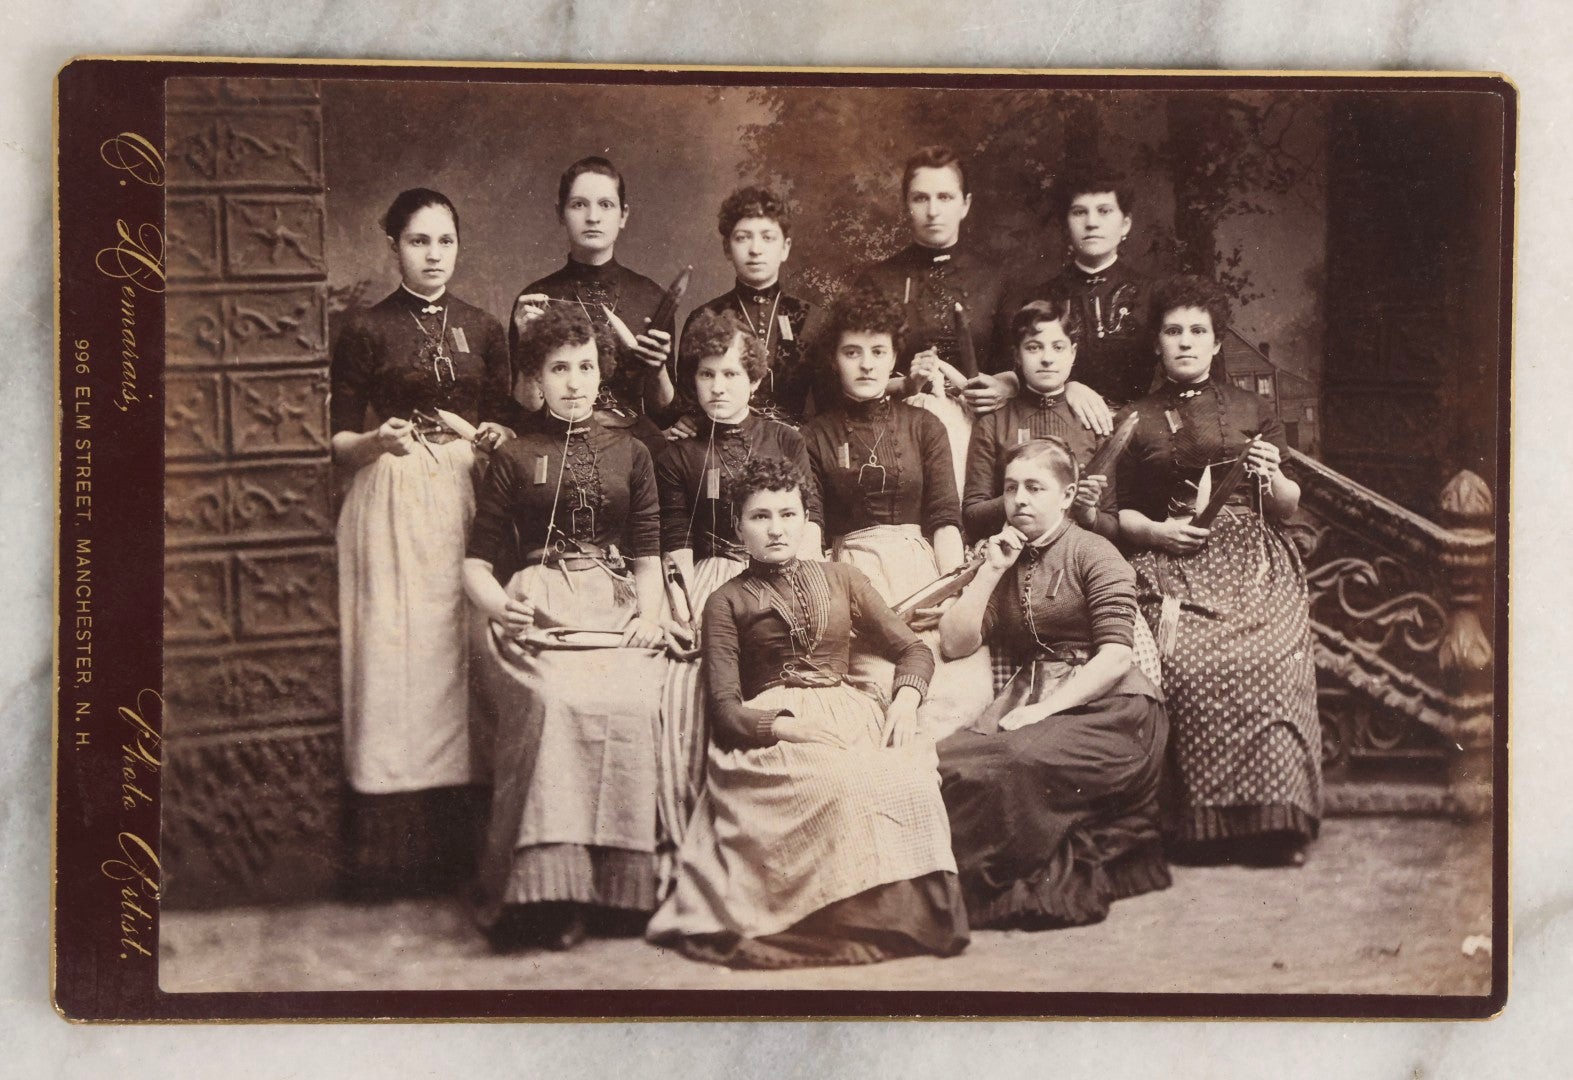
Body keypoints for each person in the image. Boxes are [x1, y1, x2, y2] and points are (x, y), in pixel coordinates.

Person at [646, 458, 968, 967]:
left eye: (788, 514)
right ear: (739, 527)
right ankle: (828, 925)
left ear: (805, 521)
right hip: (772, 730)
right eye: (760, 516)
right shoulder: (725, 601)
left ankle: (903, 921)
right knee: (837, 781)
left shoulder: (843, 577)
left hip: (850, 710)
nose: (776, 529)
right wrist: (790, 727)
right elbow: (725, 708)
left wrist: (906, 699)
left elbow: (913, 649)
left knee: (908, 778)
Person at [463, 303, 691, 950]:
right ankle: (547, 895)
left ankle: (620, 893)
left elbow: (647, 556)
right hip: (538, 606)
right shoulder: (514, 454)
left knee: (637, 700)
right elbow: (475, 565)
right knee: (557, 703)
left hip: (616, 607)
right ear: (536, 377)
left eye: (586, 367)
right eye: (559, 368)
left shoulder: (633, 452)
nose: (573, 382)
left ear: (602, 373)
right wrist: (496, 605)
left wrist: (650, 615)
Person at [330, 187, 520, 898]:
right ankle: (388, 857)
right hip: (392, 497)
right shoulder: (366, 329)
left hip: (466, 500)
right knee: (395, 652)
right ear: (394, 247)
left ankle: (463, 852)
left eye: (445, 241)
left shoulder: (484, 327)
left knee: (461, 648)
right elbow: (338, 439)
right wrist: (375, 442)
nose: (433, 255)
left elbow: (504, 423)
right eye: (418, 241)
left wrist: (496, 434)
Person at [1115, 274, 1321, 866]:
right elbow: (1113, 510)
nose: (1185, 341)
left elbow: (1286, 506)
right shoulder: (1135, 417)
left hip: (1254, 559)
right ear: (1158, 343)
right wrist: (1157, 532)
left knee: (1271, 653)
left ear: (1215, 341)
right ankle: (1199, 828)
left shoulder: (1254, 409)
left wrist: (1270, 474)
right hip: (1171, 555)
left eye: (1197, 331)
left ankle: (1276, 823)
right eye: (1173, 331)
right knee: (1187, 657)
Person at [937, 438, 1169, 928]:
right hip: (1037, 699)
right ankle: (951, 885)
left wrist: (1043, 710)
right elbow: (955, 643)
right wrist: (990, 572)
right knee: (947, 760)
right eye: (1010, 488)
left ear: (1066, 496)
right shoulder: (1003, 556)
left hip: (1115, 712)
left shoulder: (1094, 552)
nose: (1019, 500)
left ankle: (995, 888)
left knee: (1015, 761)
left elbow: (1115, 657)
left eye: (1034, 488)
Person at [652, 310, 824, 861]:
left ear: (754, 379)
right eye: (706, 375)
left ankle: (784, 830)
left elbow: (810, 522)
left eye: (731, 374)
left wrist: (806, 589)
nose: (718, 387)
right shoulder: (678, 453)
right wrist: (682, 610)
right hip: (710, 577)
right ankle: (695, 836)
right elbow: (676, 541)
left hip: (782, 573)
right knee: (685, 684)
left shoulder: (786, 439)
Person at [800, 286, 992, 733]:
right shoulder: (814, 435)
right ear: (834, 360)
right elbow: (812, 524)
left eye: (878, 351)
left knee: (963, 690)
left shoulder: (925, 425)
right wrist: (825, 600)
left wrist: (952, 594)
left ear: (893, 359)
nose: (866, 364)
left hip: (923, 572)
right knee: (881, 690)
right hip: (854, 577)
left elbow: (945, 518)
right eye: (852, 352)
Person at [510, 156, 678, 454]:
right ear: (560, 214)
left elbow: (665, 415)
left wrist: (658, 369)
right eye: (579, 204)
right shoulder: (536, 299)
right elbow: (527, 409)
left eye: (606, 205)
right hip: (559, 447)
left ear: (623, 215)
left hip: (636, 449)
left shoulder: (652, 297)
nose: (593, 217)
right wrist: (526, 347)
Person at [855, 145, 1014, 417]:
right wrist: (906, 384)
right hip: (897, 424)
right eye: (920, 198)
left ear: (965, 205)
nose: (932, 211)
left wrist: (1005, 386)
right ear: (906, 205)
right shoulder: (877, 281)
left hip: (982, 424)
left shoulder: (997, 279)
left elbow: (1016, 364)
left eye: (945, 197)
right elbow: (855, 374)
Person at [994, 165, 1152, 426]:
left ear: (1125, 224)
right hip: (1057, 426)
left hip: (1137, 429)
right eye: (1079, 212)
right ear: (1066, 225)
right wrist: (1067, 386)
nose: (1091, 223)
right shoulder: (1039, 299)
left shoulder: (1151, 294)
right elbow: (1022, 373)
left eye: (1104, 211)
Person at [963, 295, 1119, 542]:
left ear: (1073, 353)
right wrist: (1026, 492)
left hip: (1075, 552)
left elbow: (1111, 527)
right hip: (1010, 549)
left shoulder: (1092, 422)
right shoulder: (993, 421)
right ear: (1017, 355)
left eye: (1058, 347)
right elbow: (972, 516)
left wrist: (1087, 512)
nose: (1047, 358)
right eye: (1034, 347)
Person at [679, 186, 820, 423]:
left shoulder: (814, 318)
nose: (755, 250)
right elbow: (688, 404)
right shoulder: (704, 317)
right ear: (727, 248)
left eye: (767, 237)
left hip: (796, 441)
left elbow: (830, 409)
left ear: (785, 248)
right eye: (743, 238)